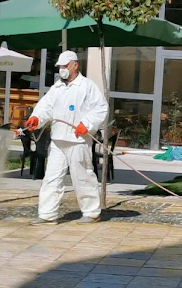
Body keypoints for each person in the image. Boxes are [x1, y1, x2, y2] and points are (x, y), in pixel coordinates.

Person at [25, 50, 109, 225]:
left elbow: (101, 108)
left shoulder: (87, 86)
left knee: (82, 176)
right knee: (52, 177)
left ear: (75, 65)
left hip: (78, 140)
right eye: (60, 67)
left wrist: (86, 124)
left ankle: (92, 212)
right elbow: (46, 106)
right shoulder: (57, 87)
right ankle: (47, 214)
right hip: (58, 140)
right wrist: (36, 118)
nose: (61, 69)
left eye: (64, 66)